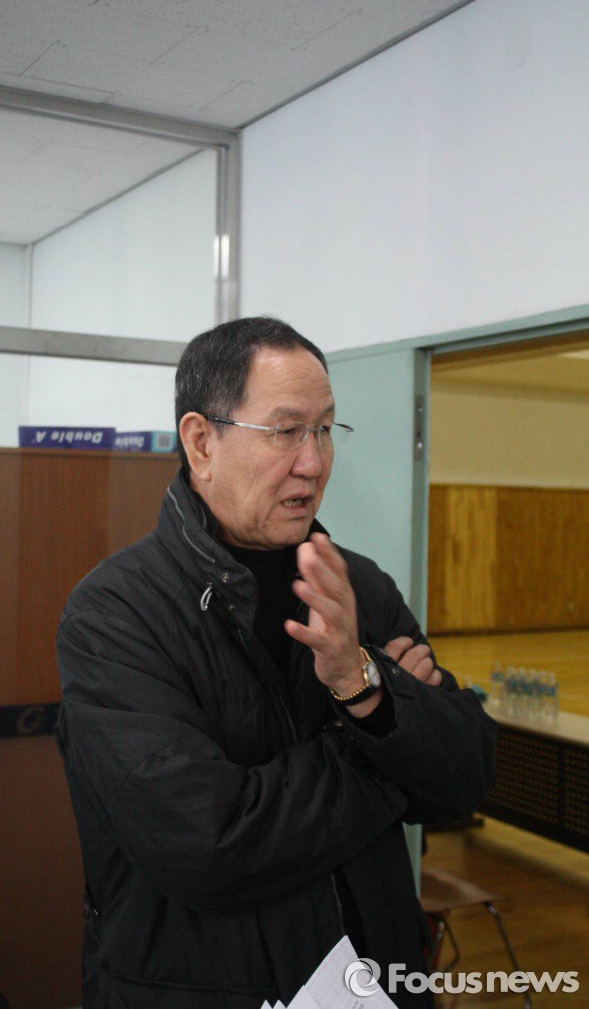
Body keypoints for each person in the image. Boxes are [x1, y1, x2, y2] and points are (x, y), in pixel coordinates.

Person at [56, 316, 497, 1009]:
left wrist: (361, 688)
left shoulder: (359, 586)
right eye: (286, 431)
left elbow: (463, 782)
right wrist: (377, 738)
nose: (313, 463)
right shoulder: (115, 613)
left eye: (324, 430)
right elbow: (211, 847)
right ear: (202, 442)